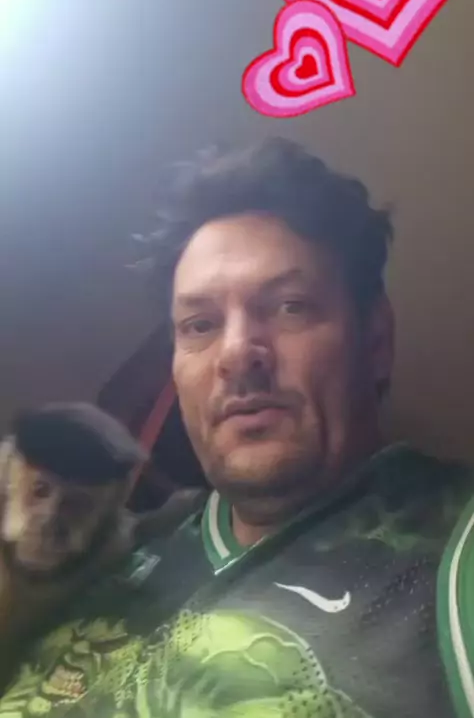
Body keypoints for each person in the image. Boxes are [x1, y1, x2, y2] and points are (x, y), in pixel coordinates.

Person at [1, 137, 473, 718]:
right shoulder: (104, 556)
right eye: (200, 324)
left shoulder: (452, 541)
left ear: (375, 341)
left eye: (289, 306)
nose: (236, 354)